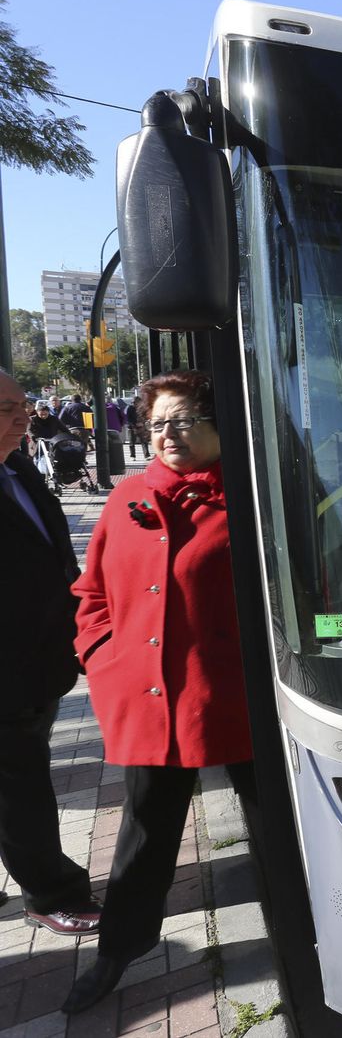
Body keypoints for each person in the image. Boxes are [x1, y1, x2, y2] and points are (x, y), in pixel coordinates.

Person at [63, 370, 253, 1014]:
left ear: (217, 425)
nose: (169, 435)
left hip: (239, 696)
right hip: (150, 698)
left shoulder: (254, 494)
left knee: (278, 825)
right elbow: (91, 591)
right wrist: (99, 654)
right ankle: (119, 948)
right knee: (142, 834)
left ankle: (308, 924)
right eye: (158, 425)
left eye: (184, 421)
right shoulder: (126, 497)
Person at [0, 370, 103, 938]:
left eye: (24, 404)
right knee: (22, 786)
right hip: (7, 671)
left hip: (38, 659)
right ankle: (50, 893)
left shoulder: (17, 465)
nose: (25, 416)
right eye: (7, 408)